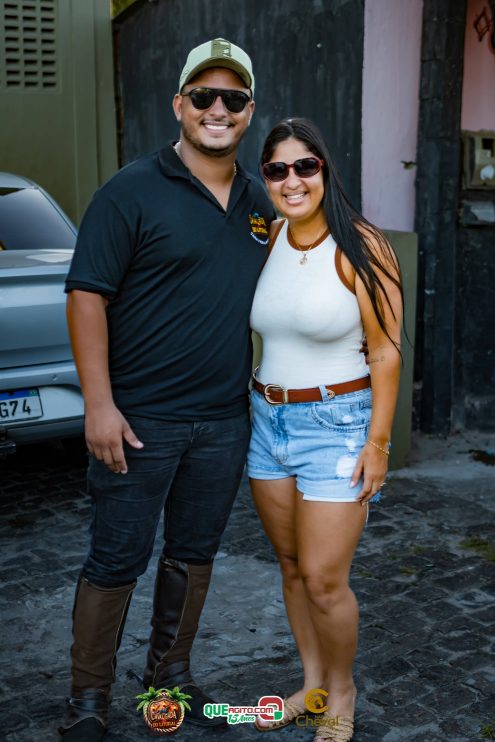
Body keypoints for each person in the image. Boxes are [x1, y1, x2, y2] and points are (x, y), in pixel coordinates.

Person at [59, 39, 275, 741]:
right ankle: (88, 699)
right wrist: (99, 404)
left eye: (233, 99)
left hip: (223, 422)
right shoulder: (129, 190)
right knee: (115, 558)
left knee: (194, 553)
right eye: (204, 96)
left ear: (248, 112)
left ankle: (169, 676)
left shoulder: (260, 200)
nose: (218, 110)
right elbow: (86, 296)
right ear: (179, 104)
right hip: (138, 419)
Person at [247, 118, 403, 741]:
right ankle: (312, 684)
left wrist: (378, 444)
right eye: (277, 169)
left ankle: (342, 691)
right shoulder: (270, 238)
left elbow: (385, 350)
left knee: (323, 577)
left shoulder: (362, 244)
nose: (292, 180)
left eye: (304, 166)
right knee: (290, 565)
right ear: (266, 179)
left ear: (325, 170)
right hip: (267, 421)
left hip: (337, 427)